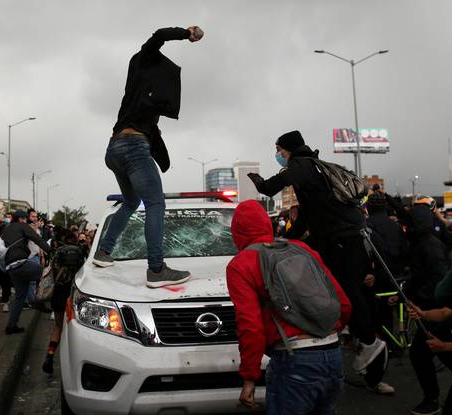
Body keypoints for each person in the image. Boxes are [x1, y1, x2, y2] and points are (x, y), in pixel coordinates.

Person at [247, 130, 389, 387]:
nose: (278, 156)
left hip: (340, 240)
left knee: (347, 293)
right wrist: (288, 239)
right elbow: (307, 216)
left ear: (289, 149)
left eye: (279, 151)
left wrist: (259, 182)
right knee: (344, 290)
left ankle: (369, 340)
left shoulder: (302, 165)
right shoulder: (317, 168)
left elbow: (273, 187)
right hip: (346, 238)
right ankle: (361, 342)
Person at [93, 26, 203, 288]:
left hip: (114, 151)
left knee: (131, 202)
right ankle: (156, 269)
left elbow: (155, 139)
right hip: (132, 148)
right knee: (155, 204)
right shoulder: (140, 63)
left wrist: (163, 163)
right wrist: (186, 33)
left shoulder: (142, 101)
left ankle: (103, 252)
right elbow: (158, 36)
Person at [227, 200, 351, 414]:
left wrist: (249, 377)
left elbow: (251, 328)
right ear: (267, 223)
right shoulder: (302, 249)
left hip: (294, 360)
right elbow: (344, 304)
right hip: (333, 355)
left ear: (237, 232)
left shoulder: (241, 264)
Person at [405, 203, 450, 415]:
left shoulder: (430, 245)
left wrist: (421, 300)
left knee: (422, 352)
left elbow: (437, 279)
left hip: (437, 309)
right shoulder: (422, 243)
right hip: (433, 310)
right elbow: (419, 276)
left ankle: (431, 399)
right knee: (429, 351)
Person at [42, 230, 86, 374]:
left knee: (57, 327)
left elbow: (52, 273)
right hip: (75, 294)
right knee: (75, 329)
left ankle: (49, 356)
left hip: (59, 293)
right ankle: (74, 364)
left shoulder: (58, 252)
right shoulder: (80, 252)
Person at [3, 211, 51, 335]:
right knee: (45, 273)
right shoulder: (22, 226)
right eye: (24, 219)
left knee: (20, 297)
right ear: (21, 219)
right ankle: (38, 301)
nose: (26, 221)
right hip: (21, 262)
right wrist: (51, 251)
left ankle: (11, 326)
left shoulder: (7, 229)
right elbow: (37, 239)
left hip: (10, 267)